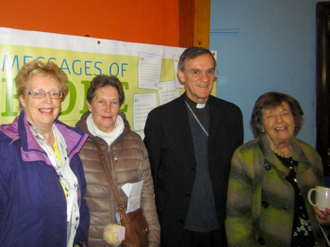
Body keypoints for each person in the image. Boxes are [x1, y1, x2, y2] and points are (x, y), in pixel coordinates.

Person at [144, 46, 244, 247]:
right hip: (176, 227)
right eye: (196, 72)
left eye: (209, 71)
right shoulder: (160, 118)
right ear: (181, 75)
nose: (204, 78)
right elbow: (150, 177)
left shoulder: (231, 114)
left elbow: (237, 171)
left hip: (221, 226)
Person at [0, 59, 89, 247]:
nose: (48, 101)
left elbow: (80, 202)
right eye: (38, 93)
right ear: (23, 99)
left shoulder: (70, 144)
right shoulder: (5, 147)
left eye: (54, 93)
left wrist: (79, 240)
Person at [226, 91, 330, 246]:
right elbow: (237, 220)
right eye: (270, 116)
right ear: (261, 125)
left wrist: (326, 219)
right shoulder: (246, 157)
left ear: (294, 118)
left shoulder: (310, 154)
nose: (279, 120)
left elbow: (320, 203)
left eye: (285, 113)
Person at [76, 75, 160, 247]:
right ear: (89, 105)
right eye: (101, 102)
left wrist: (153, 241)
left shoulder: (135, 142)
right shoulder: (75, 143)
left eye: (113, 102)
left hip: (130, 239)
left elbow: (147, 197)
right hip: (90, 241)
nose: (108, 109)